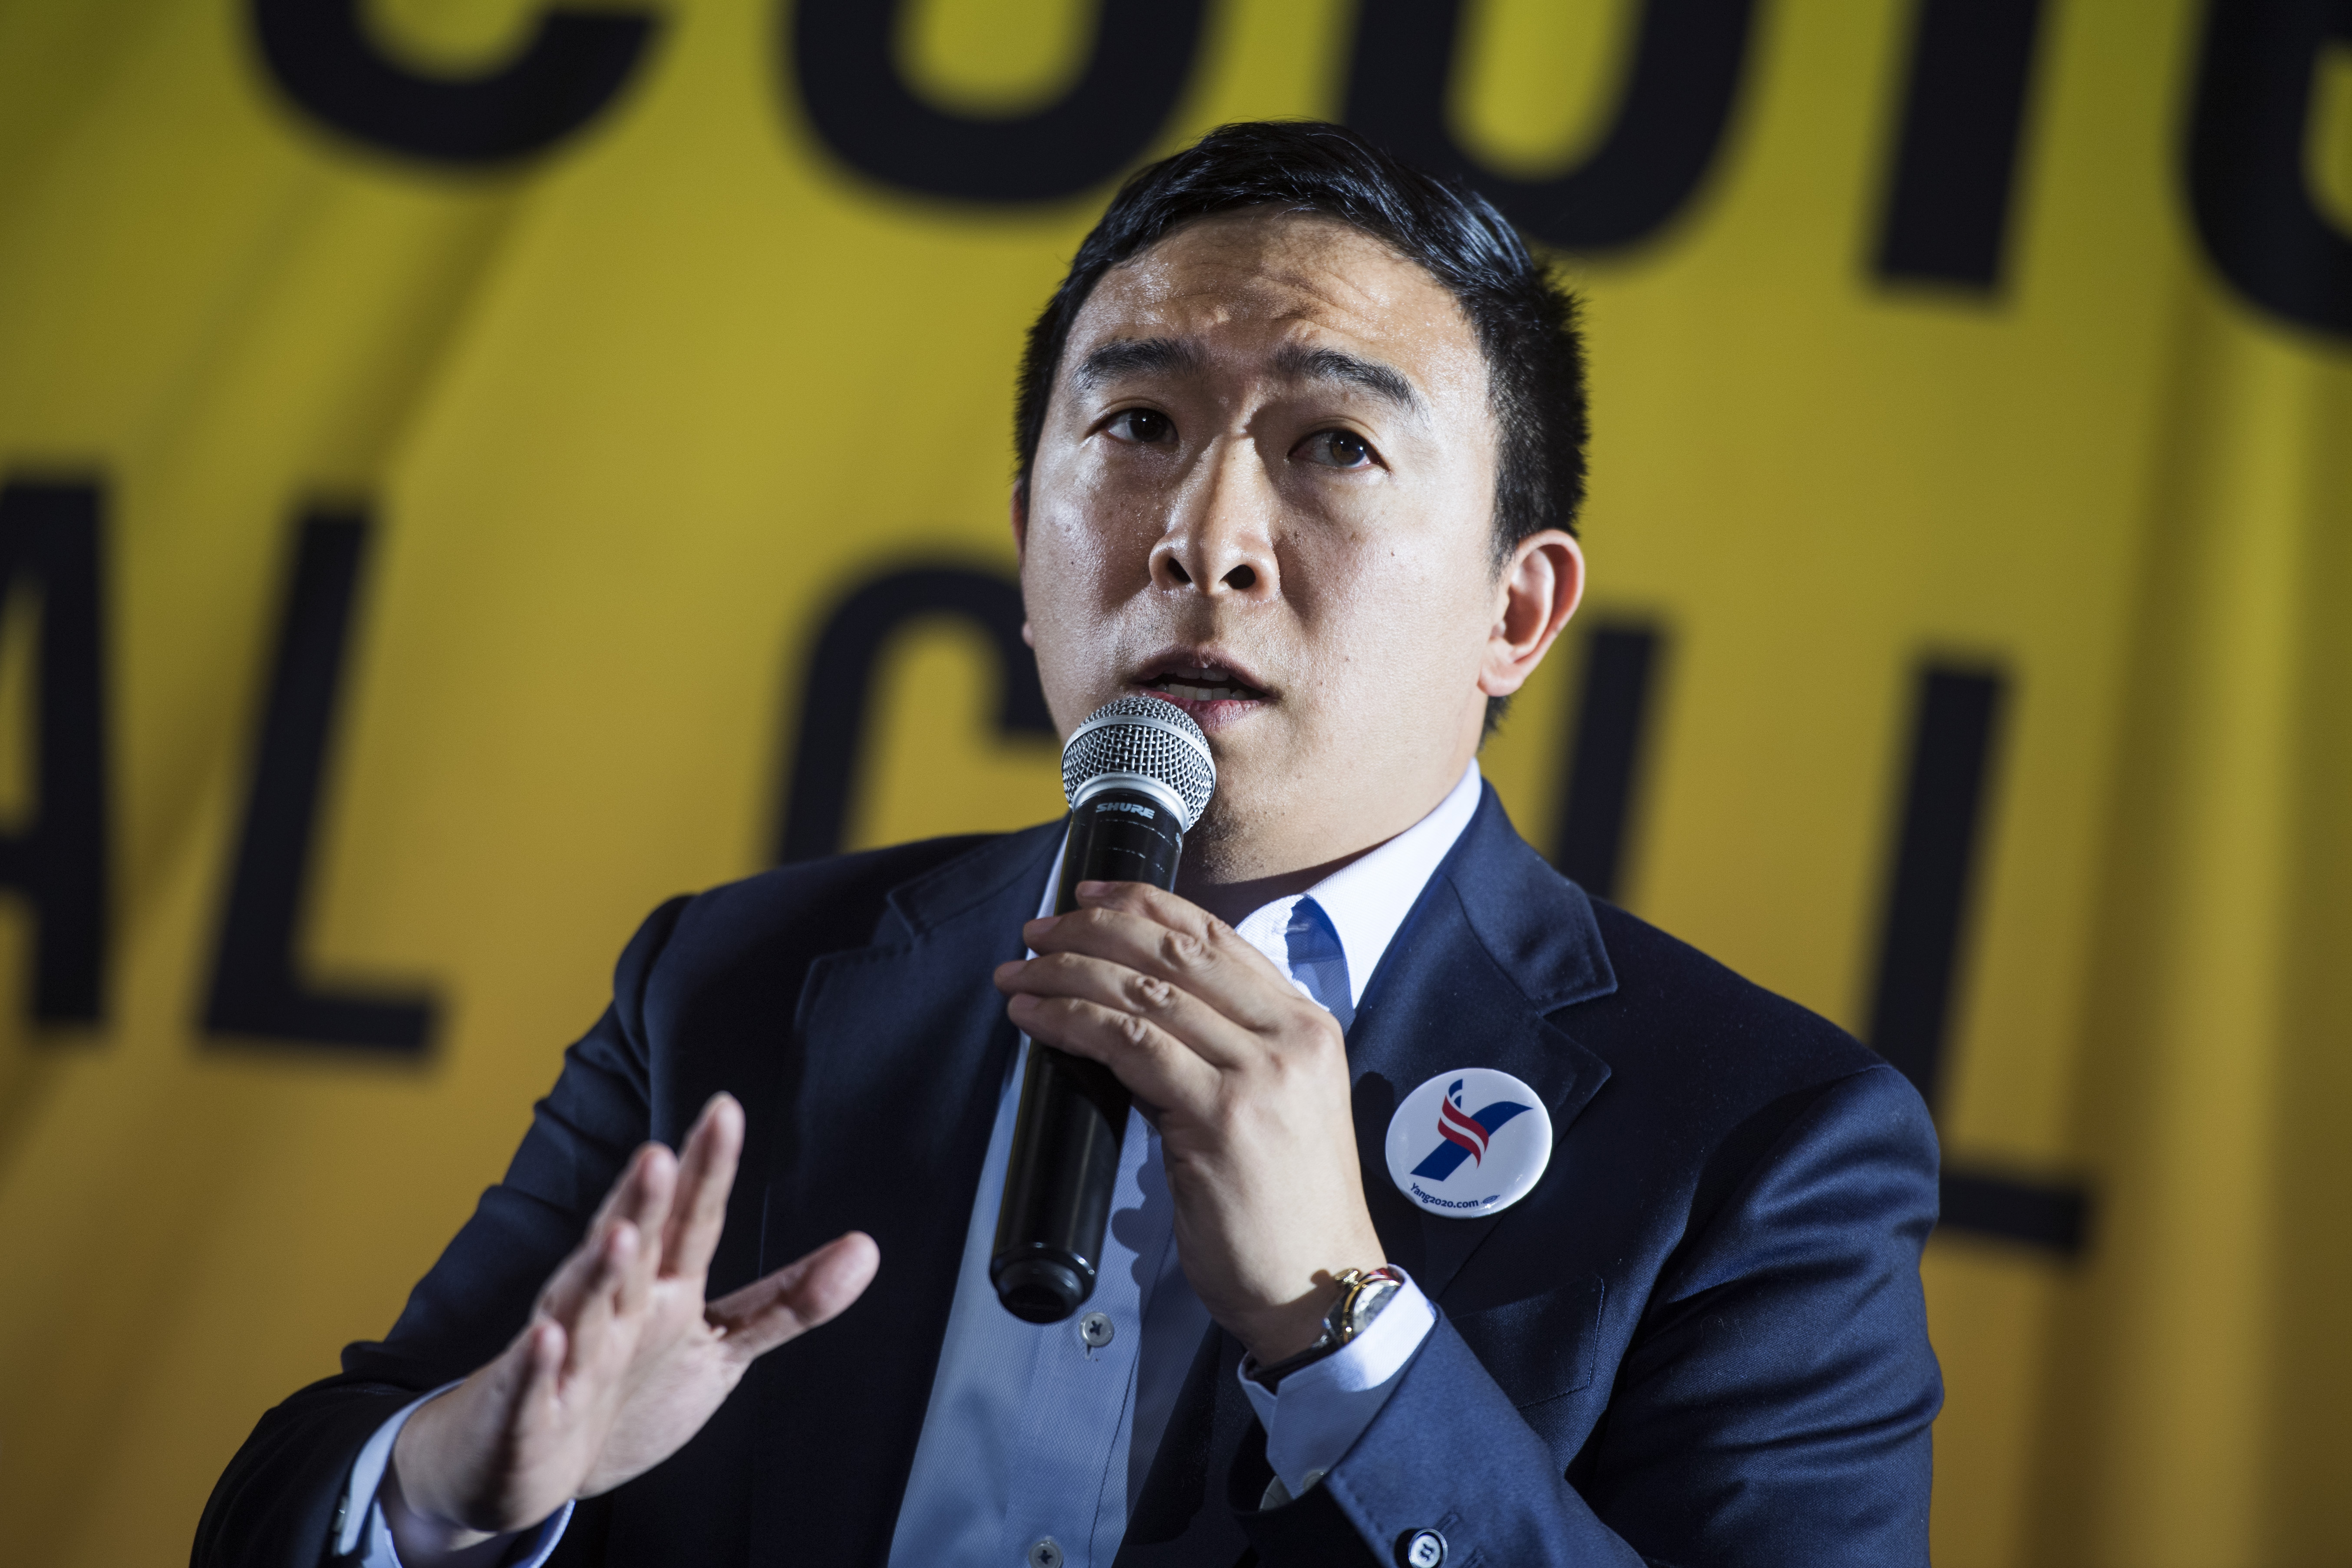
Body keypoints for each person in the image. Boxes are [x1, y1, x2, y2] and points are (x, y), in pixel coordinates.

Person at [198, 120, 1940, 1568]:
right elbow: (305, 1490)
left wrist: (1345, 1329)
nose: (1204, 537)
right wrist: (457, 1492)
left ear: (1515, 609)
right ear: (1027, 543)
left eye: (1329, 444)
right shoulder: (740, 983)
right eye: (1134, 430)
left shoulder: (1765, 1148)